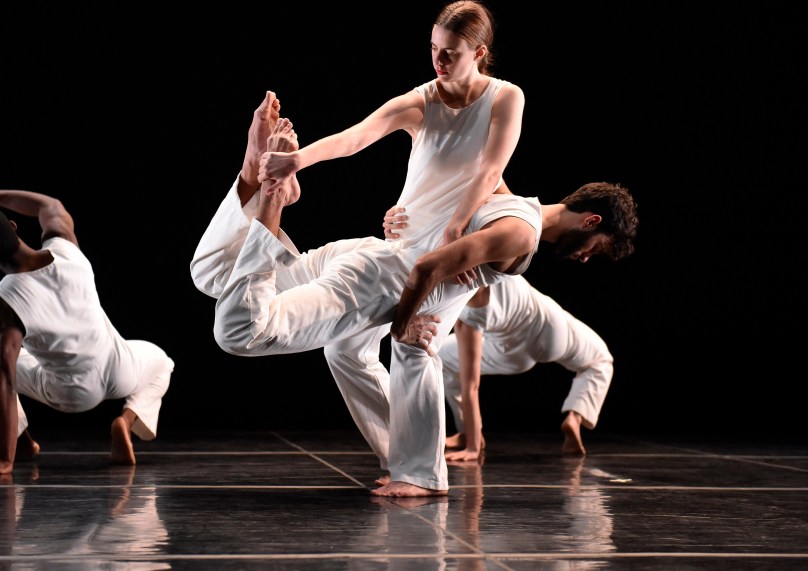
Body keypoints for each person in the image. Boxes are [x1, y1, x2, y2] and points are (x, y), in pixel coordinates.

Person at [211, 116, 639, 498]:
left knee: (337, 345)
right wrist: (402, 324)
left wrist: (404, 218)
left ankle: (407, 465)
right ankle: (270, 195)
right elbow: (427, 267)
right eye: (596, 249)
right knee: (243, 332)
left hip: (370, 258)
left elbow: (458, 181)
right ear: (591, 221)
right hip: (376, 282)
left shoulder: (504, 193)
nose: (586, 258)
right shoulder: (521, 233)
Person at [257, 0, 526, 477]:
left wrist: (454, 230)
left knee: (413, 346)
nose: (439, 60)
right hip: (405, 243)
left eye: (451, 53)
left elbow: (490, 171)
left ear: (480, 53)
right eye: (433, 49)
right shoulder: (422, 100)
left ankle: (422, 474)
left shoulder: (506, 97)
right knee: (344, 350)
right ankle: (398, 453)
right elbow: (357, 136)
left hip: (451, 256)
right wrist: (297, 160)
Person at [0, 186, 175, 476]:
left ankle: (20, 443)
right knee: (162, 362)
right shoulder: (67, 251)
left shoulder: (2, 301)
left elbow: (4, 377)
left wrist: (4, 459)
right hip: (120, 369)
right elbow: (48, 204)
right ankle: (126, 421)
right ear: (13, 226)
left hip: (75, 392)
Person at [384, 206, 614, 459]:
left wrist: (404, 219)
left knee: (444, 361)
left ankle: (470, 434)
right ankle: (575, 417)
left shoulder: (469, 307)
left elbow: (471, 385)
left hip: (512, 354)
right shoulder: (495, 256)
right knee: (600, 360)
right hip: (549, 332)